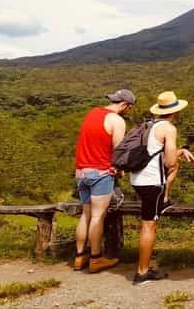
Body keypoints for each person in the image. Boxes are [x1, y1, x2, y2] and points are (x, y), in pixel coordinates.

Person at [131, 91, 194, 286]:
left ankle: (164, 200)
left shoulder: (148, 125)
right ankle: (142, 272)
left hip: (137, 179)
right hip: (152, 183)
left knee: (148, 221)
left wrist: (180, 151)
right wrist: (177, 155)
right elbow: (169, 162)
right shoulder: (169, 128)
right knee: (149, 224)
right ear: (174, 112)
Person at [73, 88, 135, 273]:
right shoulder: (117, 121)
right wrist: (120, 171)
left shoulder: (93, 112)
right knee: (98, 216)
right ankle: (96, 258)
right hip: (100, 172)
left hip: (81, 172)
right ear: (125, 105)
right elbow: (119, 151)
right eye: (129, 108)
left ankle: (79, 257)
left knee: (86, 215)